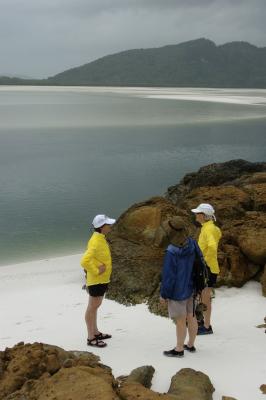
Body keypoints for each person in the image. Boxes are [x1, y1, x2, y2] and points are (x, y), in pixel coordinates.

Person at [160, 216, 205, 358]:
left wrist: (164, 294)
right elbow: (201, 261)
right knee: (191, 317)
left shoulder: (172, 251)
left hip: (177, 292)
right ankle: (190, 345)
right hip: (191, 287)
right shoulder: (192, 243)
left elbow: (169, 276)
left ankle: (179, 349)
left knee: (180, 320)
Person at [80, 214, 116, 348]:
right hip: (96, 281)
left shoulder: (100, 238)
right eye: (108, 224)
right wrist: (96, 270)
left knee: (95, 307)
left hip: (102, 279)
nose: (110, 226)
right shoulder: (95, 241)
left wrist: (99, 266)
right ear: (102, 227)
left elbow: (94, 256)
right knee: (92, 307)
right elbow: (84, 261)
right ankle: (91, 338)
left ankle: (95, 332)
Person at [191, 203, 222, 335]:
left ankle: (206, 326)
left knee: (205, 297)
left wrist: (203, 263)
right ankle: (202, 322)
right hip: (209, 267)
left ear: (203, 216)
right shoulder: (210, 228)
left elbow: (212, 247)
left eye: (198, 213)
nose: (196, 215)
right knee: (204, 296)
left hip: (207, 268)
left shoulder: (208, 229)